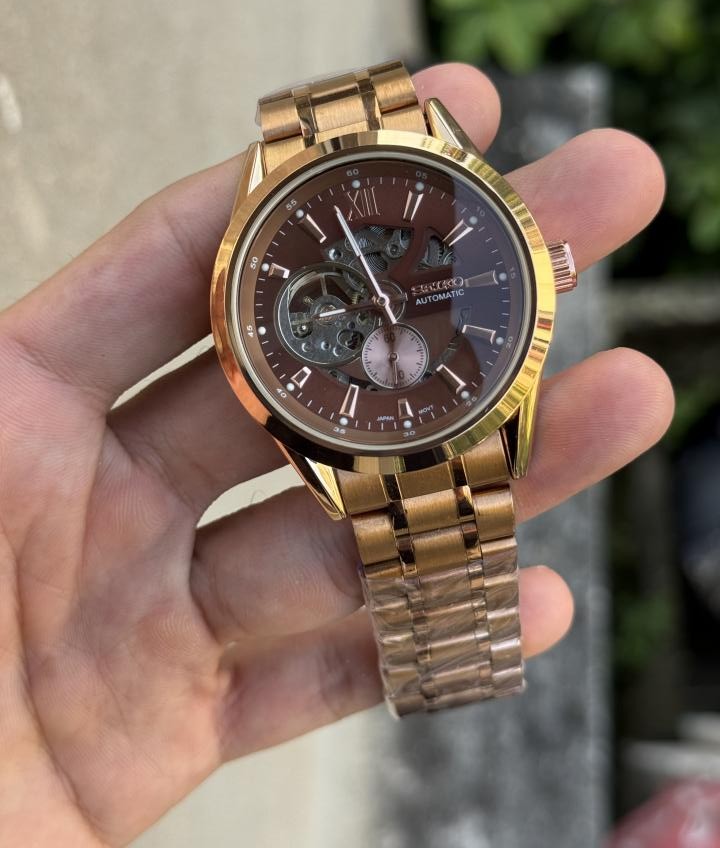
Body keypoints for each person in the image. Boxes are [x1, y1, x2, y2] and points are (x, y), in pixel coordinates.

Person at [0, 63, 674, 847]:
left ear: (544, 274)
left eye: (391, 294)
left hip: (443, 409)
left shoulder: (478, 272)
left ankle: (442, 664)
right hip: (357, 422)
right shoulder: (299, 316)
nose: (384, 302)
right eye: (368, 298)